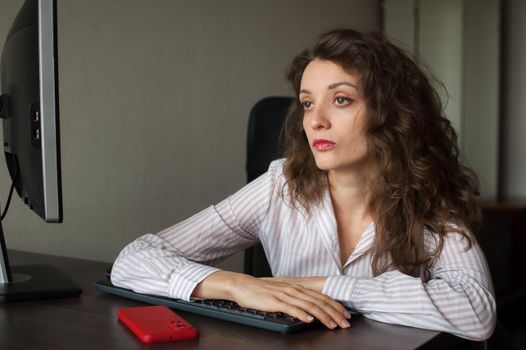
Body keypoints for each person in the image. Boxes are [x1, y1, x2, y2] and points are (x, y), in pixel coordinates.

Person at [111, 28, 496, 341]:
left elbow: (476, 311)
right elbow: (133, 261)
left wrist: (329, 286)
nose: (315, 121)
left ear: (394, 115)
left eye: (341, 100)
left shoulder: (425, 198)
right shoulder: (281, 186)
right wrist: (236, 286)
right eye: (308, 103)